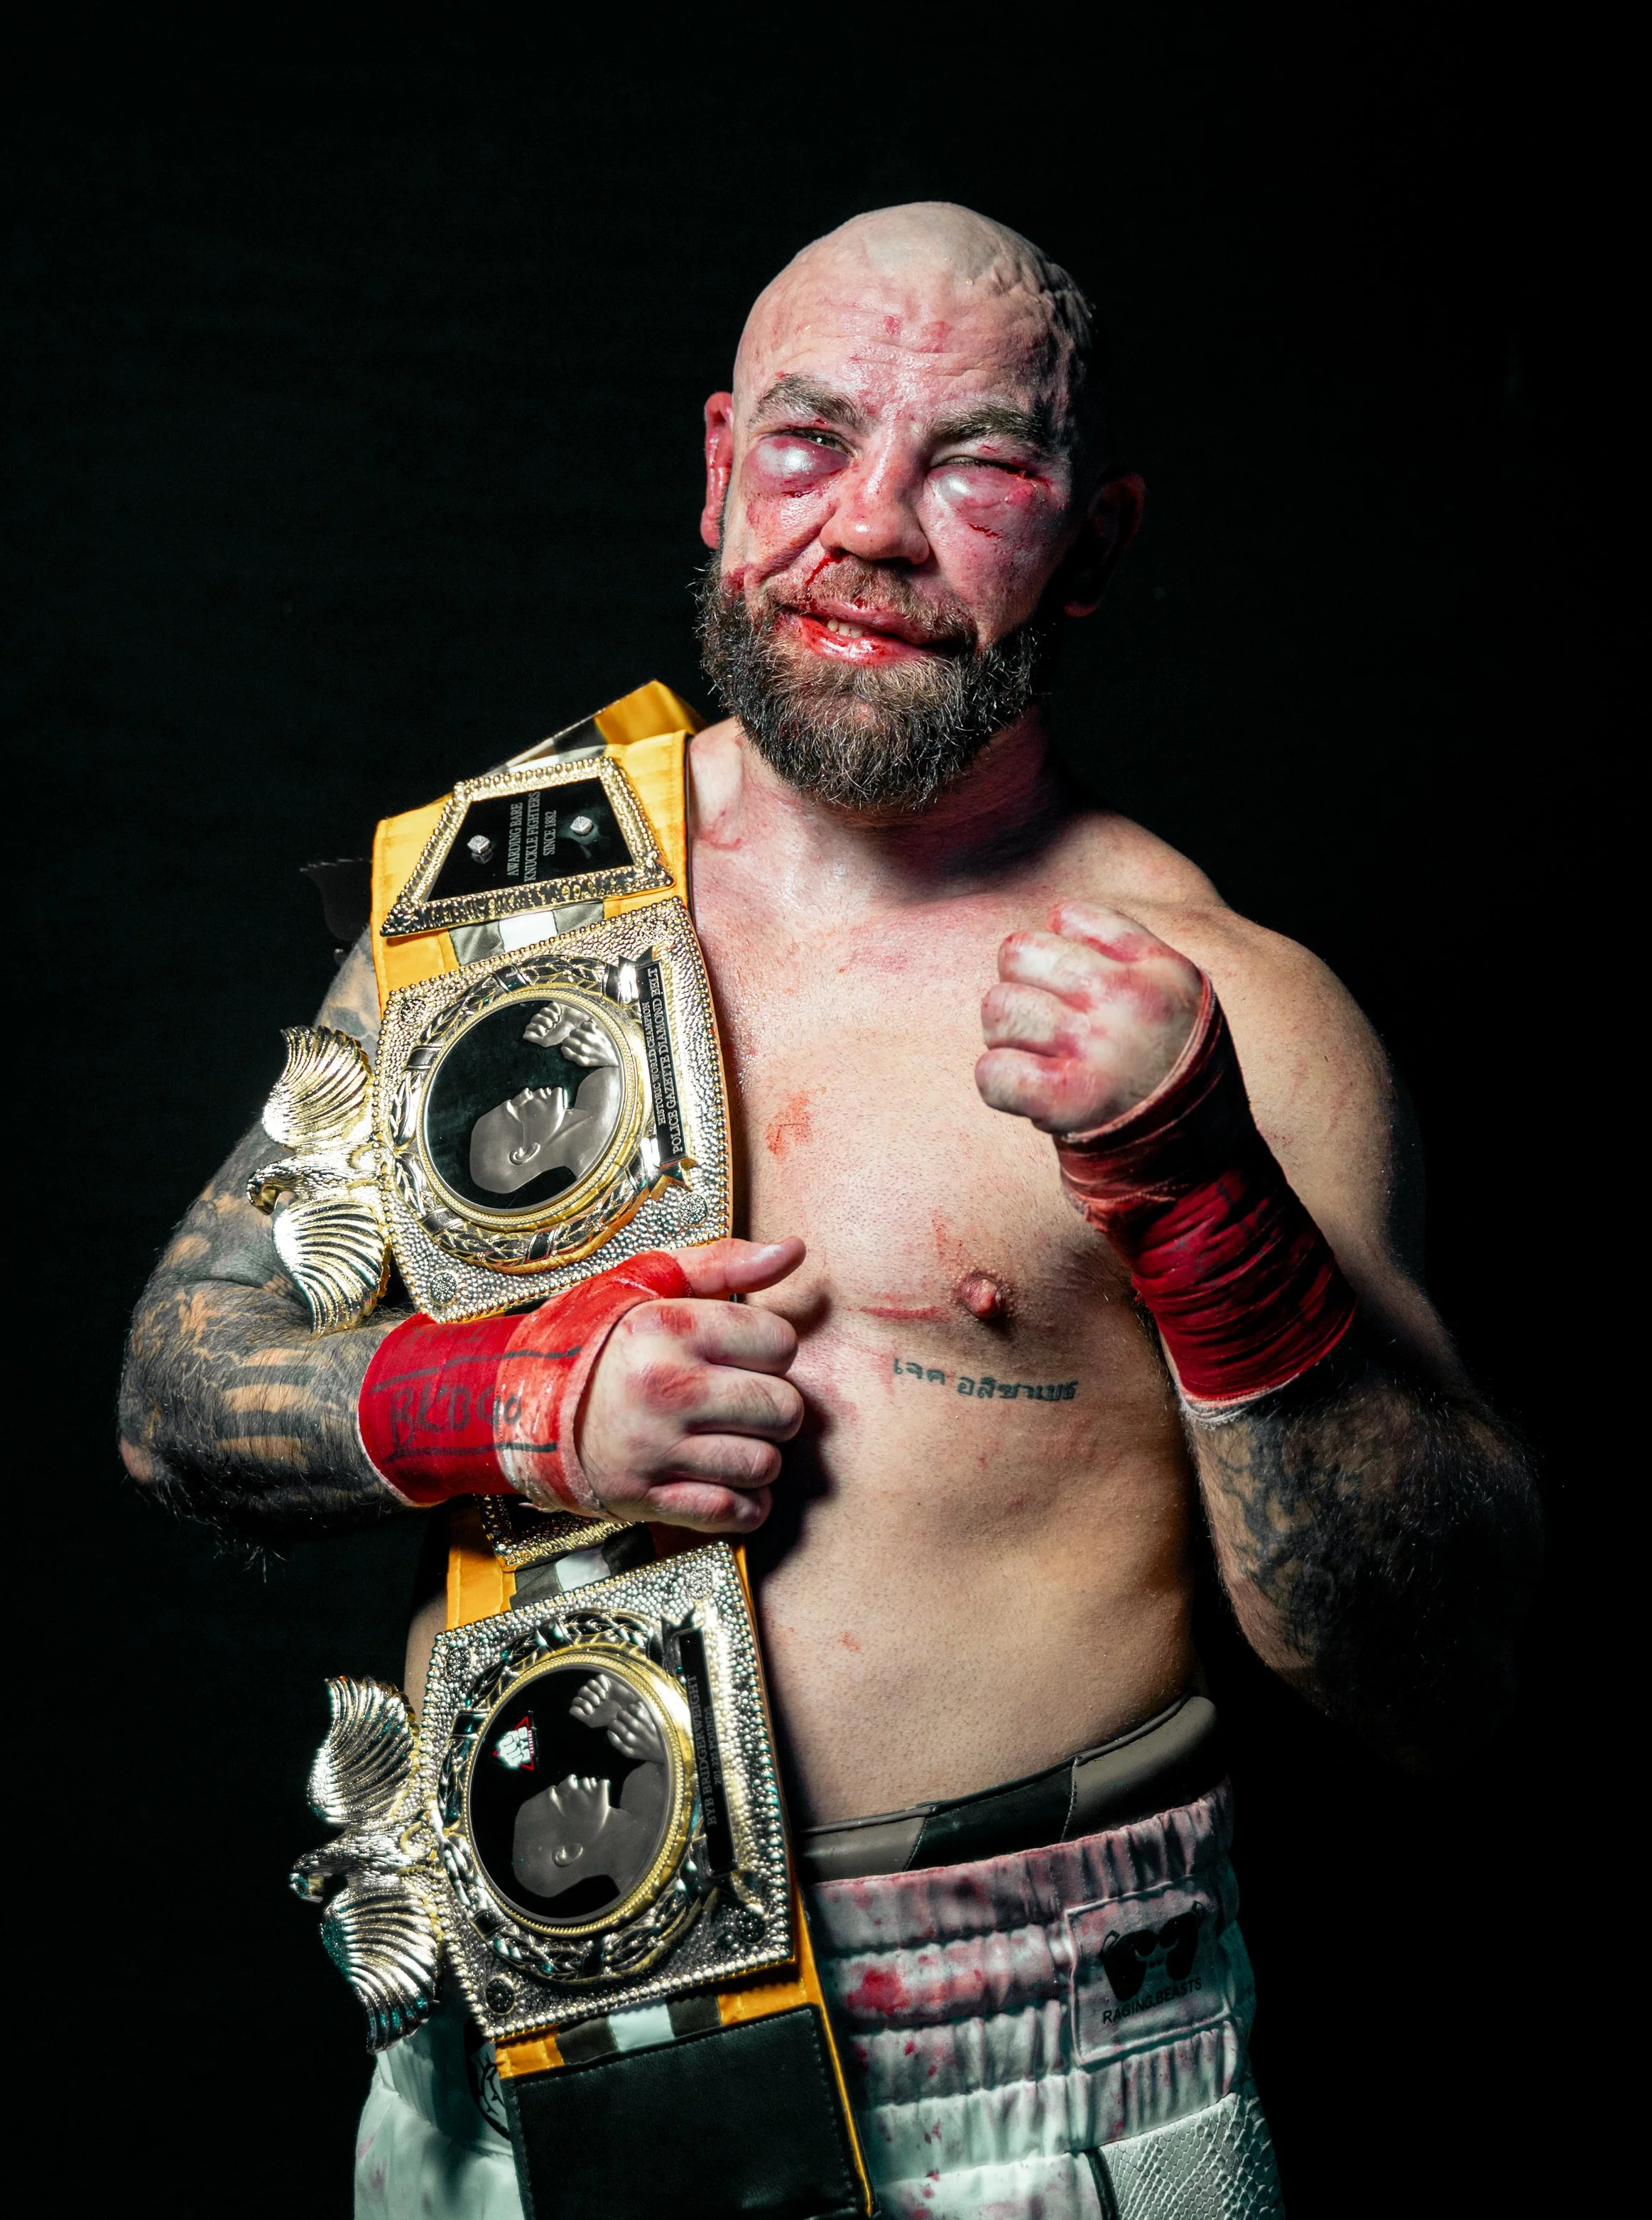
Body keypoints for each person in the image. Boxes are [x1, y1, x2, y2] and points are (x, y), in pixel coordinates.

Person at [119, 202, 1540, 2217]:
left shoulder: (1227, 1001)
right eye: (810, 440)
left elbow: (1435, 1672)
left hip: (1015, 2077)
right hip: (500, 2058)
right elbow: (180, 1378)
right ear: (717, 475)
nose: (869, 524)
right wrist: (520, 1406)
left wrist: (1203, 1199)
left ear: (1098, 538)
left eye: (979, 463)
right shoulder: (487, 914)